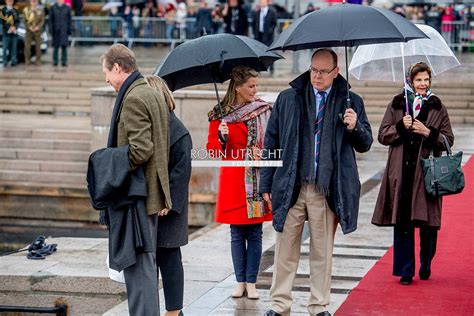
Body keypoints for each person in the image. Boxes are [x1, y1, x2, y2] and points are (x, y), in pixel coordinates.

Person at [260, 48, 373, 316]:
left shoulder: (351, 101)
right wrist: (265, 183)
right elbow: (271, 142)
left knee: (322, 252)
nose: (317, 76)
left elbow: (366, 143)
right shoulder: (289, 98)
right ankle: (279, 305)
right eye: (313, 70)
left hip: (326, 189)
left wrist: (354, 126)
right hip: (292, 185)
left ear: (336, 71)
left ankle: (319, 305)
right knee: (285, 250)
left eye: (323, 71)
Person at [100, 44, 172, 315]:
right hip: (149, 193)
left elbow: (141, 149)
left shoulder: (133, 97)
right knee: (144, 268)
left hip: (137, 196)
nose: (106, 78)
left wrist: (112, 167)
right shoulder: (149, 91)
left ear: (117, 68)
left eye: (106, 72)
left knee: (139, 269)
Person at [372, 62, 454, 286]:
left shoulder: (438, 107)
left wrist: (427, 132)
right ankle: (406, 270)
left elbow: (448, 140)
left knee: (428, 225)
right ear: (410, 81)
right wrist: (400, 126)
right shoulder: (397, 104)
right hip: (401, 173)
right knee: (403, 222)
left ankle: (426, 261)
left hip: (427, 175)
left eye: (426, 80)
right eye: (419, 80)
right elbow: (382, 135)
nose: (423, 84)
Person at [206, 66, 273, 300]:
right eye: (251, 86)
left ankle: (252, 282)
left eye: (256, 85)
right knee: (236, 234)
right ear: (238, 87)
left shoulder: (263, 110)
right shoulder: (219, 114)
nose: (256, 90)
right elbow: (212, 152)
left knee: (255, 232)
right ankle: (240, 281)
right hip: (234, 181)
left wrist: (262, 154)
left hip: (256, 179)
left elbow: (273, 143)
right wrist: (222, 138)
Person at [145, 75, 192, 316]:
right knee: (149, 261)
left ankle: (174, 311)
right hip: (150, 205)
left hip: (169, 208)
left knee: (171, 258)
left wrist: (168, 201)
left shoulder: (177, 130)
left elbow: (181, 172)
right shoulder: (151, 126)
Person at [49, 0, 71, 67]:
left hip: (64, 30)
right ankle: (55, 61)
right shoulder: (53, 8)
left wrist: (69, 30)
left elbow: (69, 20)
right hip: (56, 30)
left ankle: (64, 61)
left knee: (64, 47)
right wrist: (51, 29)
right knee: (55, 47)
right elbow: (50, 20)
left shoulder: (67, 8)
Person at [23, 0, 44, 65]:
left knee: (38, 47)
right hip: (29, 31)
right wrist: (29, 27)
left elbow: (42, 20)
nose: (34, 2)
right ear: (30, 2)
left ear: (37, 2)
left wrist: (38, 27)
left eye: (35, 1)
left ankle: (38, 60)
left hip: (37, 31)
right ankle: (27, 60)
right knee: (27, 47)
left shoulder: (40, 10)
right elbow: (25, 20)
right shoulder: (26, 10)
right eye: (32, 1)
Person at [1, 0, 20, 67]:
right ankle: (5, 62)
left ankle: (13, 61)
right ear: (6, 1)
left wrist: (14, 27)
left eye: (11, 0)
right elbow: (2, 22)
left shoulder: (16, 10)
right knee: (5, 48)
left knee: (14, 48)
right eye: (8, 0)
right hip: (6, 33)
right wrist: (9, 28)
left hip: (14, 33)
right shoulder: (2, 10)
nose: (10, 1)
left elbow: (18, 21)